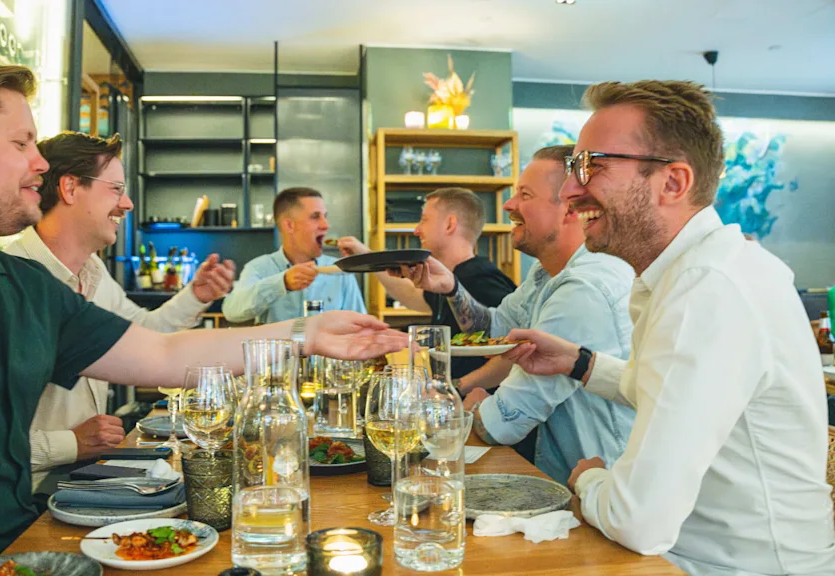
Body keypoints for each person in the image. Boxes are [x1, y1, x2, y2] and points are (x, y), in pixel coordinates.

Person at [0, 54, 407, 575]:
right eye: (20, 144)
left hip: (23, 550)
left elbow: (161, 353)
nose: (40, 165)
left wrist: (307, 332)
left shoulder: (24, 286)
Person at [499, 81, 835, 574]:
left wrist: (588, 479)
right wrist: (580, 363)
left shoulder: (707, 289)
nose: (570, 191)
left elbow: (637, 520)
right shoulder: (698, 271)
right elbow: (667, 389)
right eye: (574, 167)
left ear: (673, 183)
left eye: (592, 166)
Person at [1, 132, 235, 494]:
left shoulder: (93, 270)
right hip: (26, 496)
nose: (127, 204)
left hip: (85, 478)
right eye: (116, 189)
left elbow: (145, 333)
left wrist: (196, 295)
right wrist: (70, 443)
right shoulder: (7, 278)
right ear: (69, 188)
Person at [391, 147, 635, 485]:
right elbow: (494, 330)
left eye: (525, 195)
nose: (508, 205)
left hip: (598, 490)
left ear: (569, 208)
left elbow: (501, 424)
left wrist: (474, 403)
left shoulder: (583, 289)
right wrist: (451, 288)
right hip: (565, 481)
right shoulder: (546, 273)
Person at [337, 187, 516, 382]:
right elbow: (413, 296)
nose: (416, 230)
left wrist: (458, 387)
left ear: (449, 224)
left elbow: (512, 351)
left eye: (424, 220)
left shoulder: (480, 278)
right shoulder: (451, 279)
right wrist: (367, 258)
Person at [222, 187, 366, 323]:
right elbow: (231, 311)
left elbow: (360, 323)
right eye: (315, 217)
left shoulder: (339, 270)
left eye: (325, 216)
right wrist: (282, 283)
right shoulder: (259, 268)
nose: (326, 225)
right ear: (289, 225)